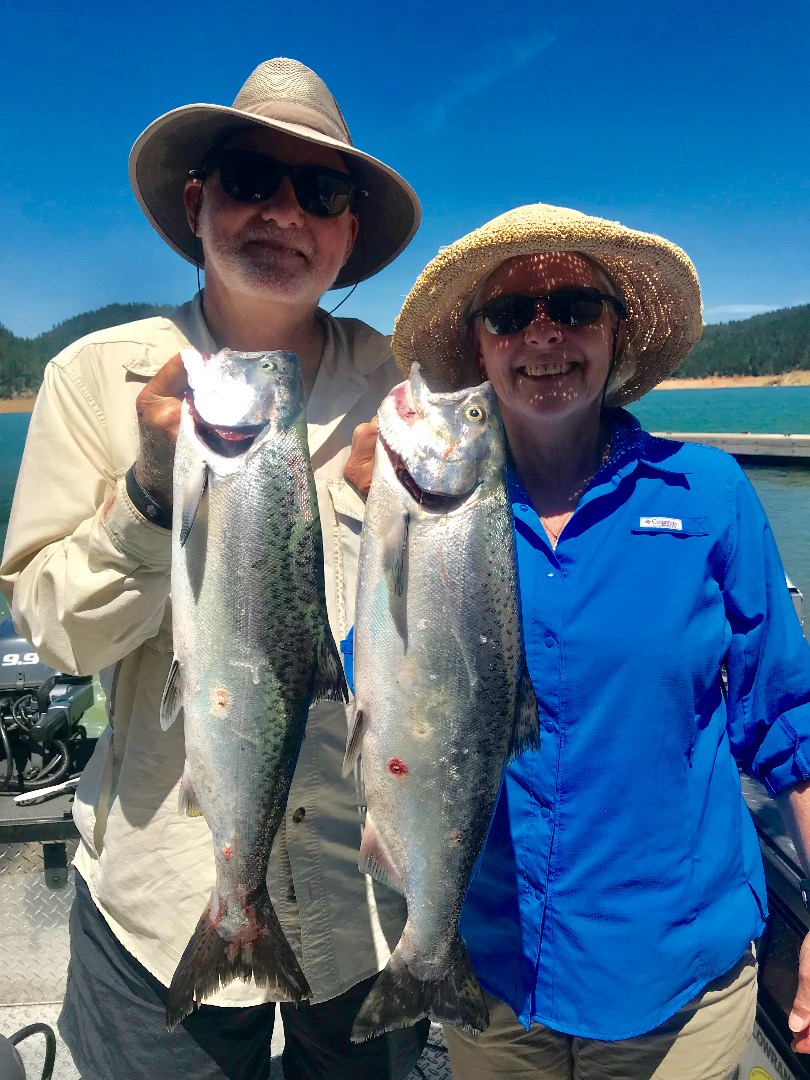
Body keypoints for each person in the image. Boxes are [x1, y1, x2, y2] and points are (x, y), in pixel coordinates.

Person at [0, 58, 428, 1080]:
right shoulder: (96, 378)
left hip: (364, 903)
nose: (284, 212)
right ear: (198, 203)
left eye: (321, 192)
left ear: (349, 233)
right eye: (251, 179)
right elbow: (59, 634)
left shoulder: (404, 388)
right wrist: (150, 491)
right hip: (162, 900)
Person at [385, 203, 810, 1079]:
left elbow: (789, 723)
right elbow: (378, 690)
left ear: (615, 332)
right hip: (491, 971)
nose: (544, 337)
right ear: (479, 347)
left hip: (676, 982)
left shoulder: (709, 493)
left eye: (575, 307)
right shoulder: (426, 511)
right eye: (510, 314)